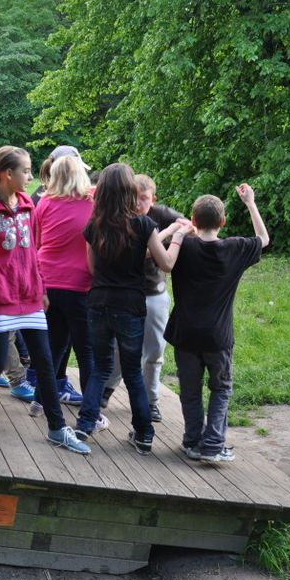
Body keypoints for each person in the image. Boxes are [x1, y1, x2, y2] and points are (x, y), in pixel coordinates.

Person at [0, 146, 91, 455]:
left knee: (45, 361)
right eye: (26, 171)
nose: (31, 176)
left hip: (30, 296)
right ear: (8, 174)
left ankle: (57, 428)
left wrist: (42, 287)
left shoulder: (26, 204)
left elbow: (34, 249)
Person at [75, 162, 193, 456]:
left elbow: (91, 269)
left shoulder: (93, 226)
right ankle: (143, 433)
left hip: (99, 304)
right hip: (130, 306)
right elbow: (166, 263)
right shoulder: (143, 225)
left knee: (101, 368)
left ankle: (85, 425)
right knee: (132, 373)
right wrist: (177, 237)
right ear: (129, 191)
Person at [165, 184, 269, 463]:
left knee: (190, 390)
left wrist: (179, 232)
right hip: (217, 336)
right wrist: (250, 203)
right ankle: (212, 445)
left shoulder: (182, 247)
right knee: (220, 388)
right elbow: (263, 238)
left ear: (193, 220)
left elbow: (159, 252)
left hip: (185, 334)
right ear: (222, 222)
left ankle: (192, 442)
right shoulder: (235, 248)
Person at [102, 174, 184, 421]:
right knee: (119, 347)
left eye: (144, 198)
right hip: (124, 293)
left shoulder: (163, 215)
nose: (138, 204)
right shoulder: (119, 217)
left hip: (153, 292)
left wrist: (185, 231)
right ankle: (108, 387)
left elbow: (190, 225)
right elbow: (143, 252)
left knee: (154, 351)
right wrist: (169, 233)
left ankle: (152, 400)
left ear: (153, 199)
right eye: (134, 197)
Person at [31, 154, 95, 417]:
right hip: (79, 284)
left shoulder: (44, 202)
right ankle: (91, 413)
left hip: (48, 283)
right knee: (86, 351)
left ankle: (39, 401)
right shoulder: (91, 202)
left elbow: (37, 243)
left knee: (54, 345)